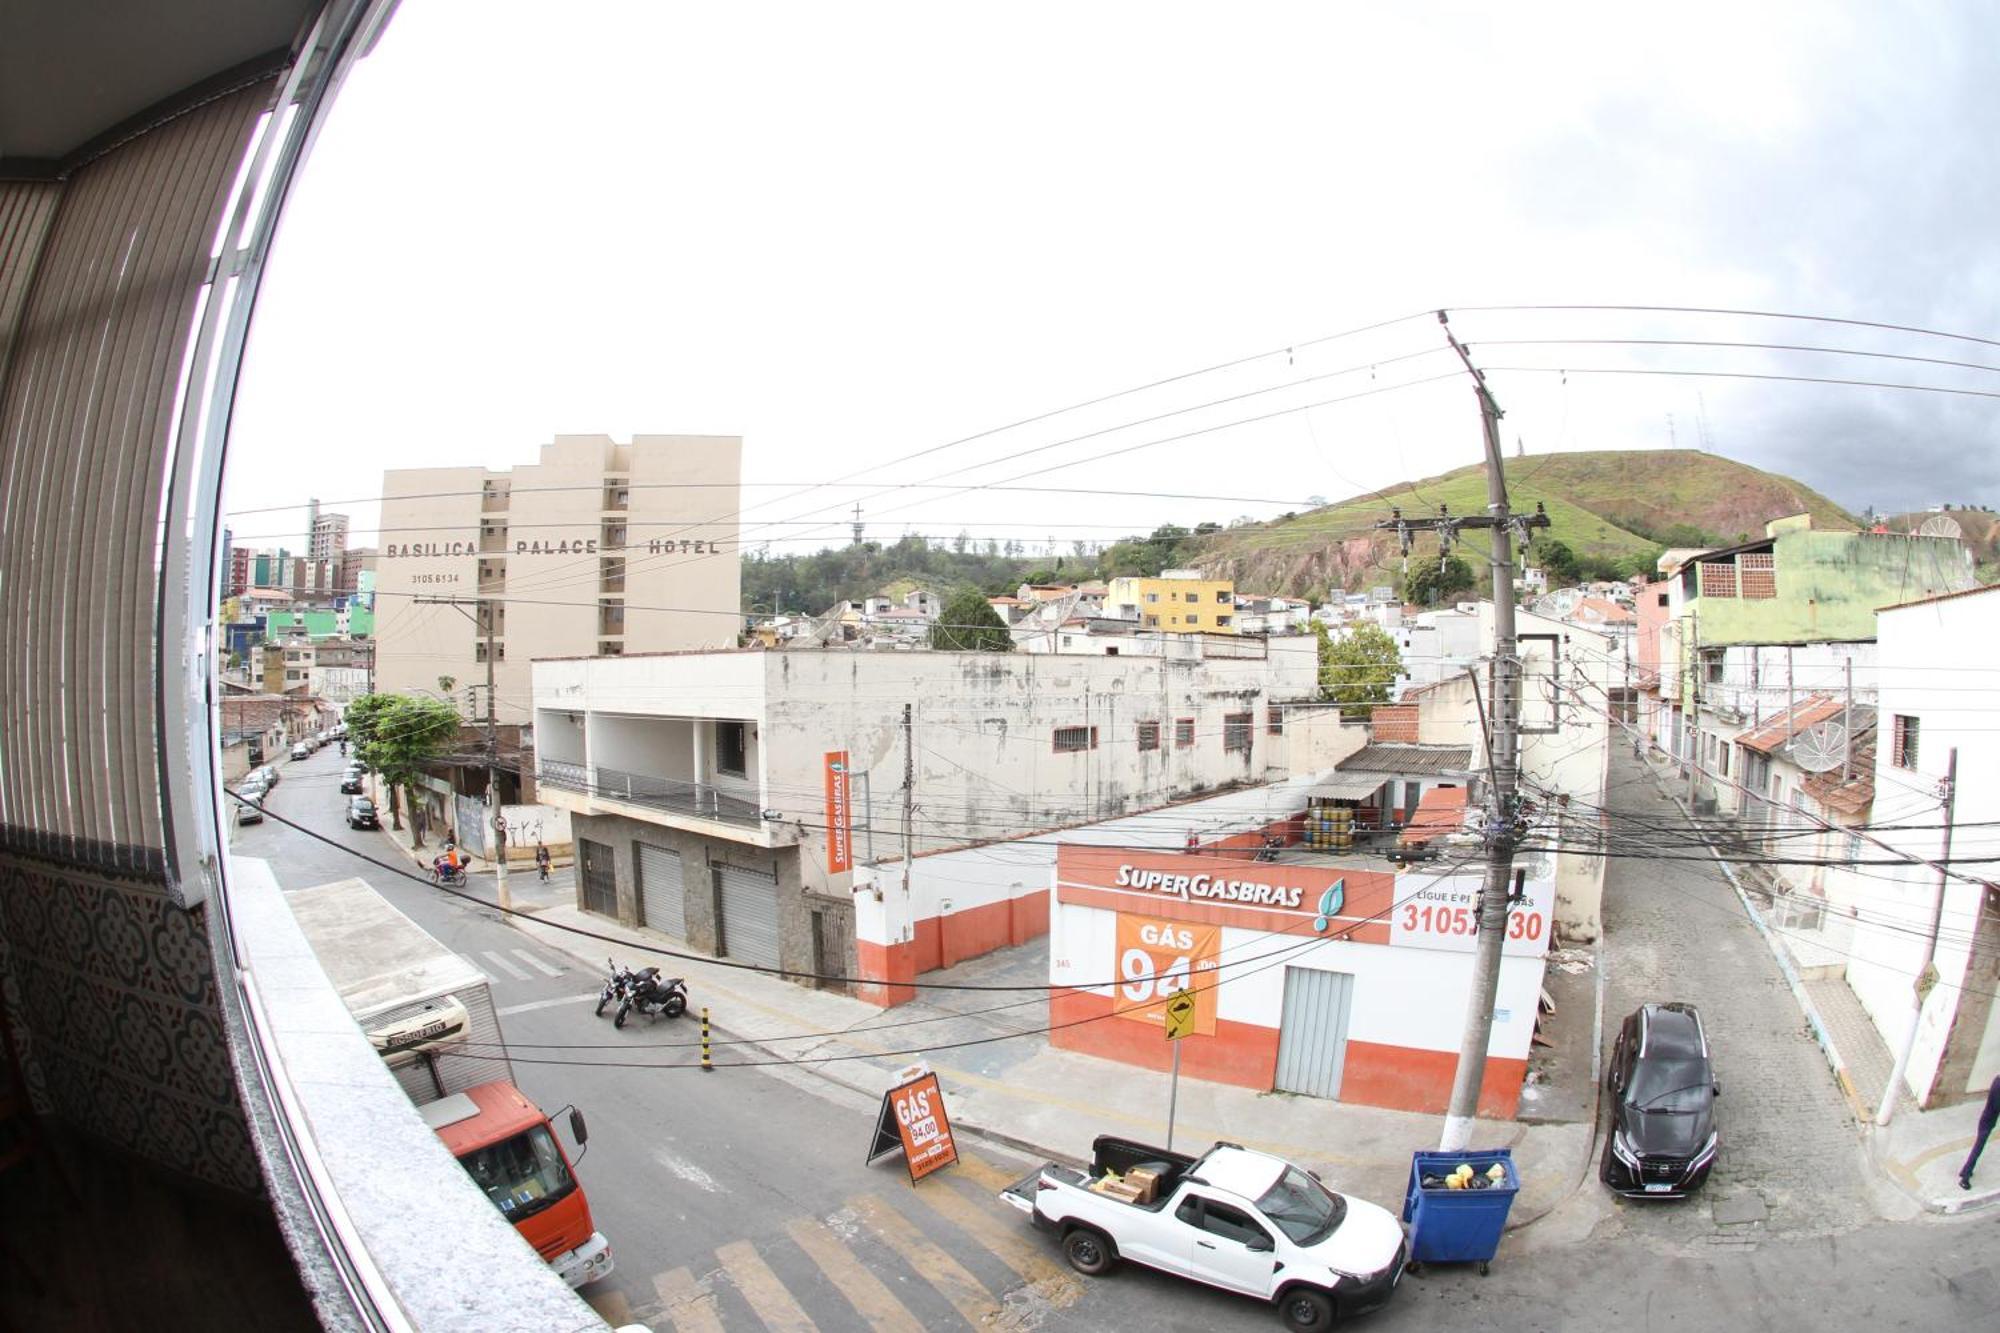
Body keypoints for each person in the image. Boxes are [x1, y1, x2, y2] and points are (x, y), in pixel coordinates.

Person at [1960, 1074, 2000, 1190]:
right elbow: (1997, 1106)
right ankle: (1965, 1177)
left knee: (1978, 1147)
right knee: (1978, 1148)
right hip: (1988, 1120)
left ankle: (1966, 1171)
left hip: (1987, 1117)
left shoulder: (1996, 1080)